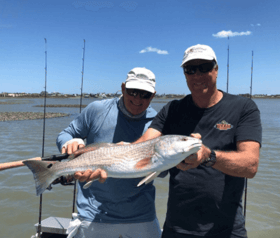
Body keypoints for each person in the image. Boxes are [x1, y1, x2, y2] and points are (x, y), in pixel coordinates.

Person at [88, 44, 262, 237]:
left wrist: (208, 156)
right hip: (177, 228)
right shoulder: (173, 109)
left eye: (204, 67)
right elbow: (144, 144)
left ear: (216, 69)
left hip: (227, 229)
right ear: (185, 74)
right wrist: (107, 158)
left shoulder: (244, 108)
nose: (197, 75)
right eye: (190, 69)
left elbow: (250, 165)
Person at [56, 67, 162, 238]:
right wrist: (69, 142)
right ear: (122, 88)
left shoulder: (157, 123)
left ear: (153, 95)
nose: (137, 98)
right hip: (93, 212)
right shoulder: (97, 109)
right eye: (133, 91)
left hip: (141, 214)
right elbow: (65, 134)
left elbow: (162, 173)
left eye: (145, 94)